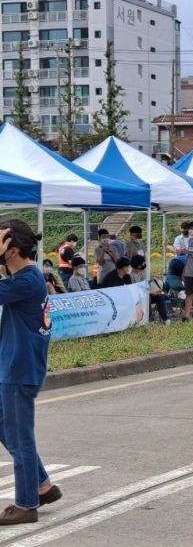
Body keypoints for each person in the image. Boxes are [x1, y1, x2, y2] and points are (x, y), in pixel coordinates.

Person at [0, 220, 62, 525]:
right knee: (6, 427)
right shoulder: (26, 276)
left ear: (12, 249)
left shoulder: (26, 281)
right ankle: (42, 485)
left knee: (20, 437)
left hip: (19, 368)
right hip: (17, 365)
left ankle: (26, 505)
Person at [130, 255, 170, 324]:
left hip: (146, 293)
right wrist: (150, 293)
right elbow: (134, 291)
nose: (144, 265)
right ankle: (150, 319)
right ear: (138, 266)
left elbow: (147, 284)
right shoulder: (129, 276)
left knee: (159, 296)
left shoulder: (142, 273)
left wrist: (155, 290)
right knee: (147, 297)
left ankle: (165, 318)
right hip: (136, 298)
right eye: (142, 263)